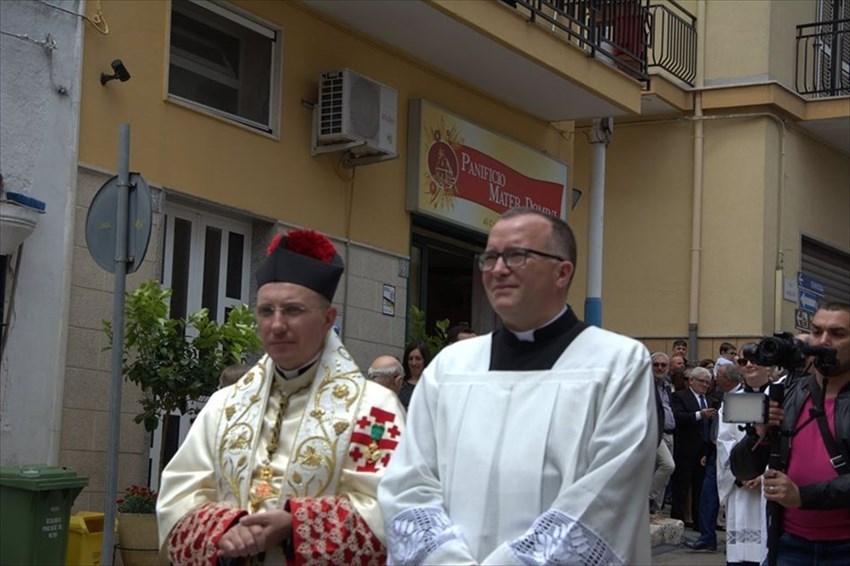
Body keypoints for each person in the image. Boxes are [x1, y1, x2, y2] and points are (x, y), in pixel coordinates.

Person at [378, 208, 657, 565]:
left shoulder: (617, 363)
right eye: (490, 257)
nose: (497, 269)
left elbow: (605, 498)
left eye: (516, 255)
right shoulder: (450, 367)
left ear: (563, 271)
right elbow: (408, 484)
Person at [156, 229, 406, 564]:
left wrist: (295, 525)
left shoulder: (375, 410)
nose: (276, 325)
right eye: (265, 311)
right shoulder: (225, 405)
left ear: (328, 319)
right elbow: (178, 497)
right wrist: (226, 529)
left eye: (292, 310)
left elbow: (392, 511)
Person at [730, 302, 850, 565]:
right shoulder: (791, 394)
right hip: (791, 544)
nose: (824, 342)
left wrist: (802, 496)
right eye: (817, 332)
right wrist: (758, 435)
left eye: (837, 334)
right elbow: (743, 470)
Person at [717, 357, 769, 565]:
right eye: (743, 360)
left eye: (756, 359)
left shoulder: (780, 395)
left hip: (769, 485)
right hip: (741, 484)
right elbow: (724, 441)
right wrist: (742, 474)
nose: (749, 364)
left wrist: (764, 475)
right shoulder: (733, 401)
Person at [670, 366, 718, 535]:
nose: (705, 385)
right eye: (702, 381)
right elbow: (678, 418)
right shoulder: (679, 396)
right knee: (681, 487)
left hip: (704, 449)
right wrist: (700, 415)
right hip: (685, 448)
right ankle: (677, 521)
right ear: (691, 381)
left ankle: (700, 524)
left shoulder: (710, 400)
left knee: (700, 489)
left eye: (708, 382)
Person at [650, 352, 676, 516]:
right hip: (653, 433)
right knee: (668, 465)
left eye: (663, 365)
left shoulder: (666, 385)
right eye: (656, 364)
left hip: (668, 433)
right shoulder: (646, 385)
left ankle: (655, 509)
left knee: (663, 478)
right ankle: (647, 499)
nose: (659, 367)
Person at [397, 341, 430, 410]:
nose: (413, 363)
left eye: (418, 359)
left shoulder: (432, 386)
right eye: (410, 359)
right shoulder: (399, 385)